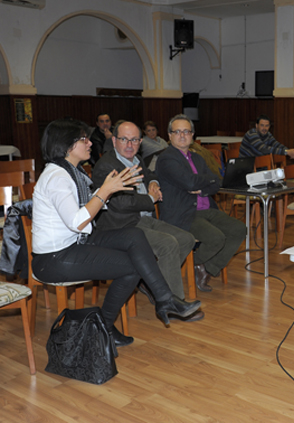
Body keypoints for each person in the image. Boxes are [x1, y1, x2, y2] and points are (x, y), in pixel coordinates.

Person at [32, 119, 201, 349]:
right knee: (133, 267)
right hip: (54, 257)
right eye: (84, 139)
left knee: (134, 235)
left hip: (77, 242)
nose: (90, 143)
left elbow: (86, 211)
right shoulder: (57, 177)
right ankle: (107, 326)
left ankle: (164, 299)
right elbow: (77, 222)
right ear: (67, 145)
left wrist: (107, 192)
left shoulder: (72, 172)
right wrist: (105, 192)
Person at [92, 121, 205, 322]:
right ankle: (173, 304)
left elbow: (150, 174)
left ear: (140, 142)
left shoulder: (136, 160)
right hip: (122, 225)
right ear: (114, 141)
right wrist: (150, 199)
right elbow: (120, 203)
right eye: (124, 139)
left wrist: (153, 182)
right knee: (168, 244)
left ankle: (150, 281)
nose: (130, 145)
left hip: (143, 218)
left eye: (135, 140)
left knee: (186, 239)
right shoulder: (106, 166)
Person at [156, 114, 246, 290]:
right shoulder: (167, 158)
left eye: (186, 131)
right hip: (183, 214)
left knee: (239, 229)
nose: (182, 135)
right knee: (216, 238)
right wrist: (205, 181)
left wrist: (203, 187)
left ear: (192, 135)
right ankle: (195, 265)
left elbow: (217, 182)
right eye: (177, 132)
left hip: (206, 209)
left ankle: (204, 266)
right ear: (169, 135)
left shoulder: (197, 158)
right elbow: (190, 182)